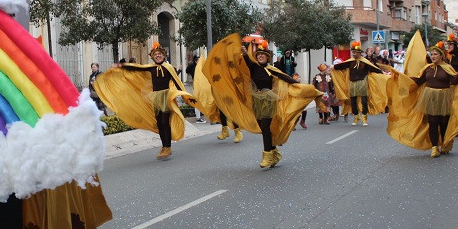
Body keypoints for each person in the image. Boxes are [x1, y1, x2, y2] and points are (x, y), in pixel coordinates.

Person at [204, 34, 320, 169]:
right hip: (256, 100)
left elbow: (285, 77)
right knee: (263, 127)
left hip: (269, 100)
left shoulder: (271, 70)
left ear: (267, 58)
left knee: (265, 127)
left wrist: (300, 85)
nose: (260, 56)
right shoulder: (254, 67)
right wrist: (244, 52)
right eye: (258, 55)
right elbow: (247, 61)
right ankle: (274, 152)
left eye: (262, 55)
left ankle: (267, 156)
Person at [94, 42, 195, 160]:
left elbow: (177, 82)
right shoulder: (150, 67)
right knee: (159, 123)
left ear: (164, 55)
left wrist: (185, 97)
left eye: (159, 54)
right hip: (155, 97)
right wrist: (120, 66)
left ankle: (168, 147)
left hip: (166, 96)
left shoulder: (169, 68)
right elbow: (136, 68)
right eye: (155, 54)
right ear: (153, 57)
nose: (157, 56)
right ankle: (164, 146)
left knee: (164, 121)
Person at [332, 41, 385, 126]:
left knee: (364, 101)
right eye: (352, 52)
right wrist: (333, 67)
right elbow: (341, 66)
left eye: (355, 52)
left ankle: (364, 118)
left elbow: (373, 68)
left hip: (362, 83)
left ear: (359, 53)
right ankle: (356, 117)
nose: (353, 54)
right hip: (352, 83)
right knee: (353, 101)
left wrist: (381, 73)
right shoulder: (350, 62)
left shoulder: (364, 62)